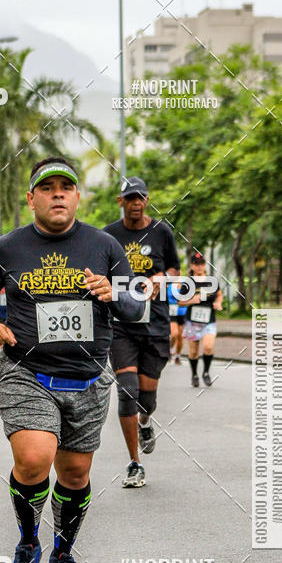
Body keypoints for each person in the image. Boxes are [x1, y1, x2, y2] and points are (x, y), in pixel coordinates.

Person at [0, 156, 144, 563]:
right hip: (27, 372)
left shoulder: (105, 246)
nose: (57, 193)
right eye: (47, 188)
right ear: (31, 199)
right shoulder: (6, 249)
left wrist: (113, 293)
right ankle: (28, 542)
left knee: (76, 475)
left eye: (66, 186)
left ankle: (63, 552)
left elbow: (137, 308)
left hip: (88, 376)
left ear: (78, 196)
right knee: (33, 459)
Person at [103, 176, 180, 489]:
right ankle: (135, 462)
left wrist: (161, 278)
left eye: (140, 198)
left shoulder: (161, 231)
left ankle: (146, 422)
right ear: (121, 201)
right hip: (121, 324)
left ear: (147, 201)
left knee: (147, 398)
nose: (135, 204)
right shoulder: (108, 235)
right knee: (127, 389)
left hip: (156, 322)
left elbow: (175, 268)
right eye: (129, 198)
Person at [181, 253, 223, 387]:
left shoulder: (212, 280)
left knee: (208, 347)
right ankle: (194, 374)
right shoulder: (188, 282)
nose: (200, 267)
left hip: (209, 319)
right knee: (193, 352)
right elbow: (179, 301)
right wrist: (192, 300)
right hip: (192, 321)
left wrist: (218, 303)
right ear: (192, 266)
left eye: (202, 264)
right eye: (197, 264)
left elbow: (219, 295)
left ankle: (206, 372)